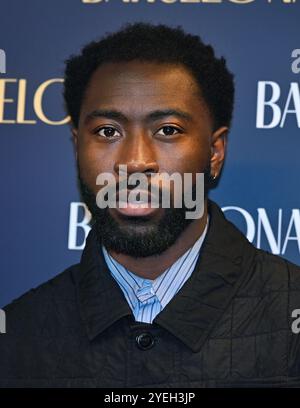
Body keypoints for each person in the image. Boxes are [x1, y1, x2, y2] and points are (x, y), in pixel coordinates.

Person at [1, 22, 300, 388]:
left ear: (215, 152)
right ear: (77, 146)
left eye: (168, 130)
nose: (135, 161)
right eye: (108, 131)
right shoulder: (17, 334)